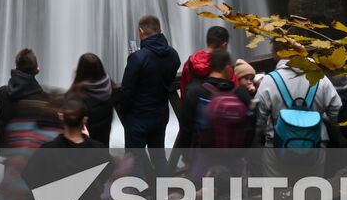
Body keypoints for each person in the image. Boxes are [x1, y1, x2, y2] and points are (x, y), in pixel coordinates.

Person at [22, 98, 105, 200]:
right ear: (84, 120)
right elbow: (105, 174)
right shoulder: (98, 150)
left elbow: (29, 176)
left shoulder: (47, 151)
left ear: (61, 117)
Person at [253, 56, 345, 176]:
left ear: (278, 53)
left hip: (276, 150)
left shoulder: (269, 80)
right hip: (314, 149)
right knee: (312, 192)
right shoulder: (321, 79)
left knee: (275, 192)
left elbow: (257, 121)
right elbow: (338, 116)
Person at [175, 49, 254, 179]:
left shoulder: (195, 93)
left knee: (202, 195)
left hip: (203, 160)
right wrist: (242, 152)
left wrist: (187, 157)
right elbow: (251, 127)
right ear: (228, 68)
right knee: (234, 195)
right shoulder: (241, 94)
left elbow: (186, 129)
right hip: (234, 160)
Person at [118, 15, 180, 151]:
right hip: (161, 113)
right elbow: (166, 78)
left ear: (141, 31)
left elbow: (127, 90)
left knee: (134, 160)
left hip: (138, 116)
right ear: (159, 29)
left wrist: (123, 111)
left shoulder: (138, 58)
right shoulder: (173, 54)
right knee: (159, 158)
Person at [0, 49, 62, 149]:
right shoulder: (45, 100)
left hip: (7, 151)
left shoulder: (2, 94)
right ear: (37, 70)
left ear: (16, 68)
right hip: (33, 154)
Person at [69, 53, 116, 147]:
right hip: (104, 134)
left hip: (87, 139)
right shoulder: (109, 85)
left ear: (81, 71)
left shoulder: (79, 93)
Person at [175, 26, 229, 100]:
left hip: (195, 106)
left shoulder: (190, 62)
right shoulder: (223, 65)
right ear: (224, 45)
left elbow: (184, 88)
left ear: (208, 41)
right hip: (217, 107)